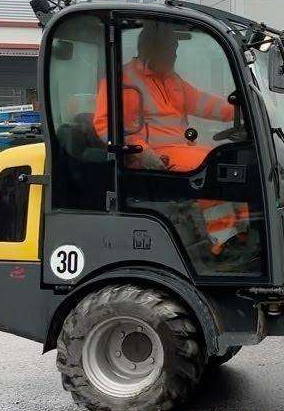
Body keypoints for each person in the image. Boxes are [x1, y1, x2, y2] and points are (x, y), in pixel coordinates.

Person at [93, 22, 251, 262]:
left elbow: (203, 103)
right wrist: (139, 151)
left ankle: (243, 235)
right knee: (212, 169)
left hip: (181, 150)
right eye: (172, 48)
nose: (175, 53)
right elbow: (105, 125)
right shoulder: (122, 80)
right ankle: (224, 243)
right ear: (153, 48)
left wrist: (243, 110)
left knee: (230, 160)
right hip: (153, 156)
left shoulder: (171, 79)